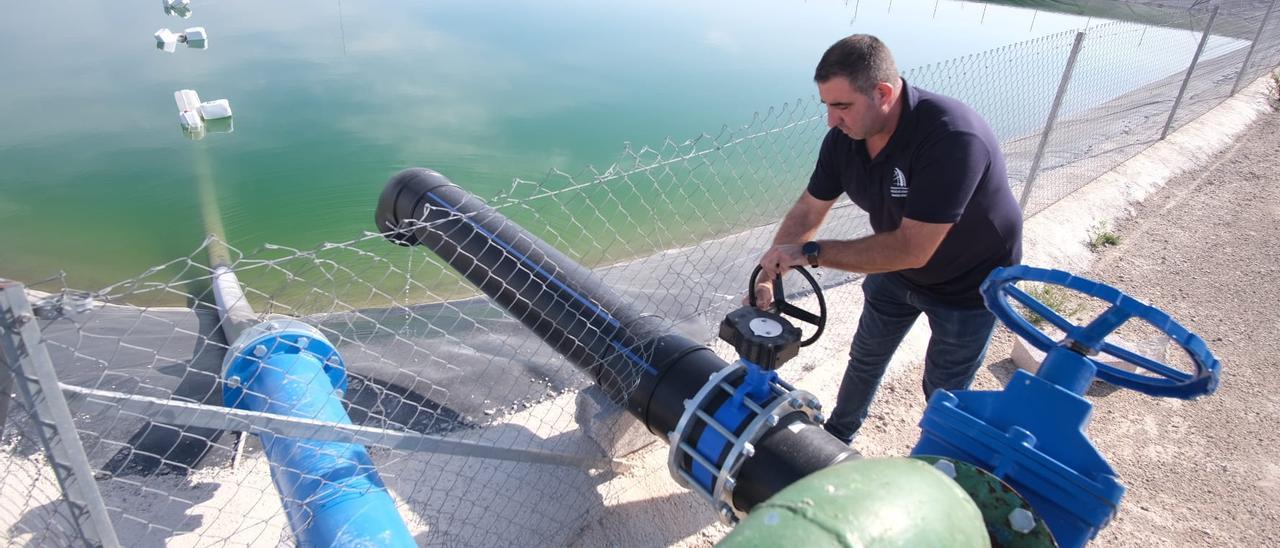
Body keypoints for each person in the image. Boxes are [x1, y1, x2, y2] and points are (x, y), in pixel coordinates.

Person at [753, 34, 1023, 445]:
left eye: (841, 106)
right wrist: (770, 271)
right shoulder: (845, 140)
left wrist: (810, 253)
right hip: (895, 274)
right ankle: (836, 441)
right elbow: (810, 209)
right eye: (826, 106)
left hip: (969, 285)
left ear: (882, 93)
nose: (831, 120)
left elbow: (912, 248)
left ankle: (935, 463)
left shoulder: (951, 137)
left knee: (945, 391)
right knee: (865, 360)